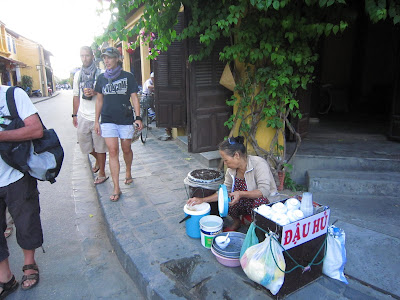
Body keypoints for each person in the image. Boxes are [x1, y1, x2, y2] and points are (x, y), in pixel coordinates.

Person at [0, 85, 44, 296]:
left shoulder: (12, 95)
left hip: (15, 174)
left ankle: (29, 263)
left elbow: (36, 129)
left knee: (26, 222)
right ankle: (5, 277)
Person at [187, 136, 277, 231]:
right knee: (227, 199)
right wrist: (202, 200)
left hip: (264, 201)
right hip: (243, 201)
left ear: (236, 155)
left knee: (260, 202)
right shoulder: (231, 170)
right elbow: (224, 192)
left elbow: (264, 191)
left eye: (226, 160)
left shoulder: (259, 164)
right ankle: (237, 222)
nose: (225, 163)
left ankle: (257, 229)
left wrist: (241, 193)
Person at [94, 47, 142, 202]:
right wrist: (96, 120)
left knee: (126, 148)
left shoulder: (128, 76)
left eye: (109, 57)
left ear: (117, 59)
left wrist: (138, 117)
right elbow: (99, 100)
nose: (106, 61)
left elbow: (134, 97)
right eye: (104, 58)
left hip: (125, 118)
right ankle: (116, 187)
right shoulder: (101, 78)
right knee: (113, 151)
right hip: (107, 119)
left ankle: (128, 170)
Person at [73, 46, 108, 185]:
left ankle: (102, 173)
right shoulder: (78, 75)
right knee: (85, 146)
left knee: (100, 146)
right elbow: (76, 96)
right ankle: (99, 162)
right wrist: (74, 115)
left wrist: (95, 92)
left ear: (93, 56)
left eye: (87, 55)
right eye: (82, 56)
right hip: (83, 114)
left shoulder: (102, 73)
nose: (84, 58)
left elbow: (108, 94)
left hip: (98, 115)